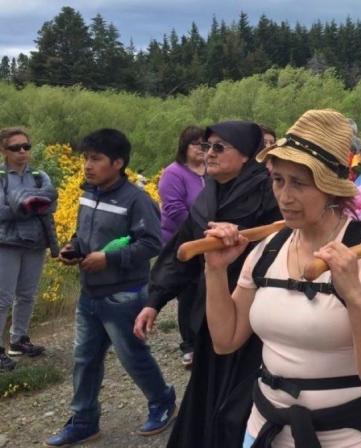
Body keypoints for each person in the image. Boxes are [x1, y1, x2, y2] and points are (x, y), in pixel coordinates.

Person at [201, 109, 361, 447]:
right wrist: (215, 269)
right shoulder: (270, 248)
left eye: (299, 183)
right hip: (266, 427)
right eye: (278, 180)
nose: (284, 196)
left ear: (330, 188)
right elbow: (225, 340)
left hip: (348, 436)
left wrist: (353, 294)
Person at [135, 120, 281, 448]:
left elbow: (287, 241)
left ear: (246, 156)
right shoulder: (208, 195)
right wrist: (154, 301)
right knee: (210, 398)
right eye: (206, 146)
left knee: (241, 409)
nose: (208, 154)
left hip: (255, 321)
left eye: (219, 147)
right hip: (212, 314)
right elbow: (180, 254)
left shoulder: (270, 192)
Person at [46, 129, 175, 447]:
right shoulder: (88, 192)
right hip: (89, 293)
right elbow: (82, 233)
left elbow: (152, 243)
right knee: (85, 358)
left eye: (96, 159)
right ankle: (85, 420)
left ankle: (162, 400)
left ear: (118, 163)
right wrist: (73, 247)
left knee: (132, 355)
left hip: (124, 295)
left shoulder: (136, 200)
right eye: (85, 158)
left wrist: (109, 259)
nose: (88, 165)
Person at [0, 127, 58, 371]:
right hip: (7, 244)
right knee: (3, 298)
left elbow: (51, 202)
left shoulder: (39, 176)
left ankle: (19, 339)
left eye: (26, 146)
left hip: (35, 242)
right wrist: (28, 204)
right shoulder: (2, 178)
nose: (22, 152)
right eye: (15, 147)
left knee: (27, 294)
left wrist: (22, 202)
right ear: (3, 150)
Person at [157, 125, 207, 367]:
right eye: (197, 144)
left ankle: (205, 340)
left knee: (206, 291)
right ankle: (189, 345)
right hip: (183, 242)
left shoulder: (209, 172)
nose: (202, 149)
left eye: (206, 145)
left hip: (207, 242)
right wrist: (203, 231)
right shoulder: (173, 173)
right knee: (188, 293)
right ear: (184, 147)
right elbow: (175, 210)